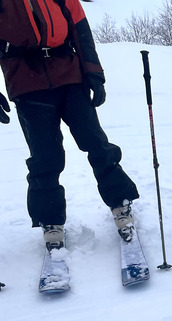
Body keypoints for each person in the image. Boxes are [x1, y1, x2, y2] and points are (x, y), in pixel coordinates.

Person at [0, 0, 140, 252]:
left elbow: (80, 31)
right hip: (27, 84)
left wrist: (94, 74)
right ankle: (51, 221)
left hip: (70, 76)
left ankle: (121, 202)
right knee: (45, 157)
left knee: (96, 143)